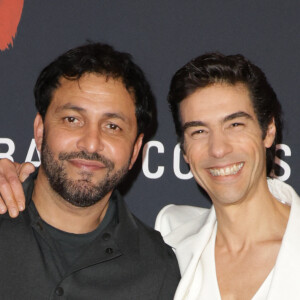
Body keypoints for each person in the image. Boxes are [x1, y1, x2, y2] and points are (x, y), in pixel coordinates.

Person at [0, 43, 180, 299]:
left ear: (136, 149)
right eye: (72, 120)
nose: (91, 143)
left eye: (112, 126)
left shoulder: (159, 269)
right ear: (40, 131)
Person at [155, 53, 300, 299]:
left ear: (268, 132)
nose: (218, 149)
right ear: (185, 151)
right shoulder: (171, 239)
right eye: (199, 131)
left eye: (235, 125)